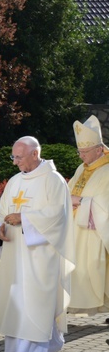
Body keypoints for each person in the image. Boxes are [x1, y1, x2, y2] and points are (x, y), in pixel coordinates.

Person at [0, 136, 74, 352]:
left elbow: (58, 216)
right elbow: (1, 213)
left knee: (37, 303)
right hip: (13, 254)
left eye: (18, 157)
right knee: (16, 301)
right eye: (13, 156)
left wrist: (24, 218)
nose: (14, 162)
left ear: (35, 154)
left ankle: (38, 351)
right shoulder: (15, 181)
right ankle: (16, 350)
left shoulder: (53, 180)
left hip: (40, 256)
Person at [67, 116, 109, 317]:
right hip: (77, 228)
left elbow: (105, 203)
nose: (81, 156)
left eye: (84, 152)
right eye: (80, 152)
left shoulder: (107, 170)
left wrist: (81, 202)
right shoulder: (80, 169)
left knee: (100, 269)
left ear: (99, 150)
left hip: (98, 231)